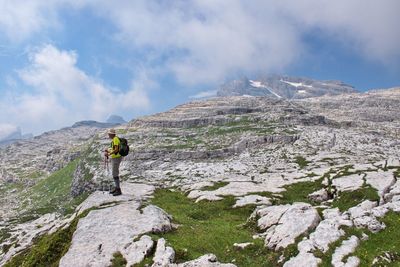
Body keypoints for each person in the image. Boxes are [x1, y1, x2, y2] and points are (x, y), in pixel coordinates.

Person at [104, 129, 122, 196]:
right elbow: (114, 148)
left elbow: (116, 149)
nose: (108, 135)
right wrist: (108, 150)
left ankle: (118, 190)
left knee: (115, 173)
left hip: (116, 158)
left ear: (112, 134)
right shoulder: (115, 139)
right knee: (114, 173)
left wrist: (108, 154)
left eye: (109, 134)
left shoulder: (115, 139)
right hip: (115, 157)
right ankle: (116, 188)